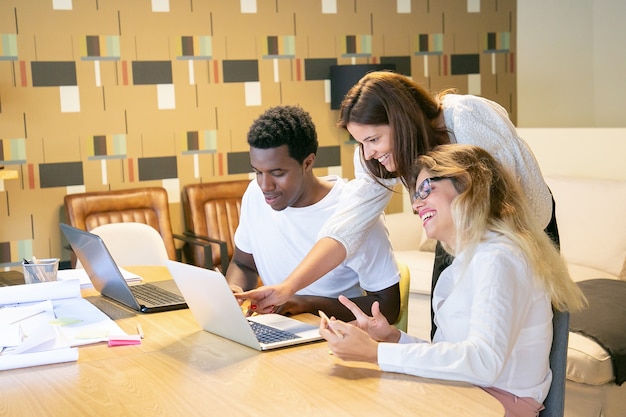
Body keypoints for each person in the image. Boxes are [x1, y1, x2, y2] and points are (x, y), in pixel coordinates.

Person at [236, 71, 559, 339]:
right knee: (447, 333)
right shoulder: (374, 158)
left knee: (527, 337)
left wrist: (504, 258)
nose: (368, 152)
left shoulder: (466, 115)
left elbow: (517, 199)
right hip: (457, 236)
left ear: (401, 121)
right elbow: (346, 228)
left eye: (373, 139)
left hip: (523, 231)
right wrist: (286, 288)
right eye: (361, 142)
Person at [318, 144, 586, 417]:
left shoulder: (499, 257)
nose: (415, 204)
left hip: (495, 406)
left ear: (467, 184)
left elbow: (483, 361)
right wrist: (393, 338)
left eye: (424, 190)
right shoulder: (466, 264)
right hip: (466, 392)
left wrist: (375, 353)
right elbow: (455, 357)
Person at [226, 105, 400, 322]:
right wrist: (234, 290)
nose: (265, 185)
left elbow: (389, 307)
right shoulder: (254, 195)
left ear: (307, 162)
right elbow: (244, 264)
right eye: (258, 172)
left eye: (277, 173)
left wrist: (305, 304)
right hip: (279, 329)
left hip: (335, 338)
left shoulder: (355, 211)